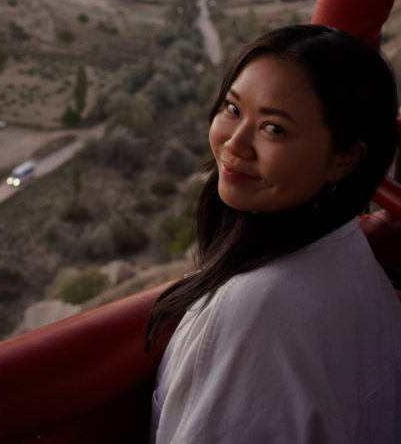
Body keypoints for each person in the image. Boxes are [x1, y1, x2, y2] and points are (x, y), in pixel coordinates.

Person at [148, 24, 401, 443]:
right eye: (232, 109)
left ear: (343, 159)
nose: (236, 144)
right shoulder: (352, 259)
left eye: (274, 129)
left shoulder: (254, 312)